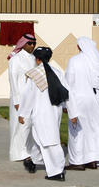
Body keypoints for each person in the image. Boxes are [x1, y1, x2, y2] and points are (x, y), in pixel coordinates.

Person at [18, 47, 69, 181]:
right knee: (39, 137)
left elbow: (28, 95)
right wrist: (65, 106)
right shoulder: (57, 71)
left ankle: (56, 171)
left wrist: (22, 113)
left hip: (41, 112)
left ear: (37, 59)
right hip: (55, 111)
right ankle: (35, 161)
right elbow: (64, 91)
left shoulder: (34, 74)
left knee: (49, 141)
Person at [64, 36, 99, 170]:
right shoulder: (98, 62)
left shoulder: (74, 60)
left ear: (79, 46)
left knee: (77, 131)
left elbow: (68, 83)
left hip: (78, 100)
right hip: (95, 100)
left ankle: (77, 161)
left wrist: (66, 104)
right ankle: (92, 160)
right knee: (93, 129)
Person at [7, 33, 38, 172]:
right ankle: (17, 153)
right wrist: (17, 100)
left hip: (32, 97)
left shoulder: (34, 58)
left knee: (30, 126)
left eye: (34, 43)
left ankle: (28, 151)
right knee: (18, 125)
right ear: (23, 44)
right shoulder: (16, 59)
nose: (32, 46)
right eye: (29, 43)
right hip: (19, 98)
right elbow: (13, 80)